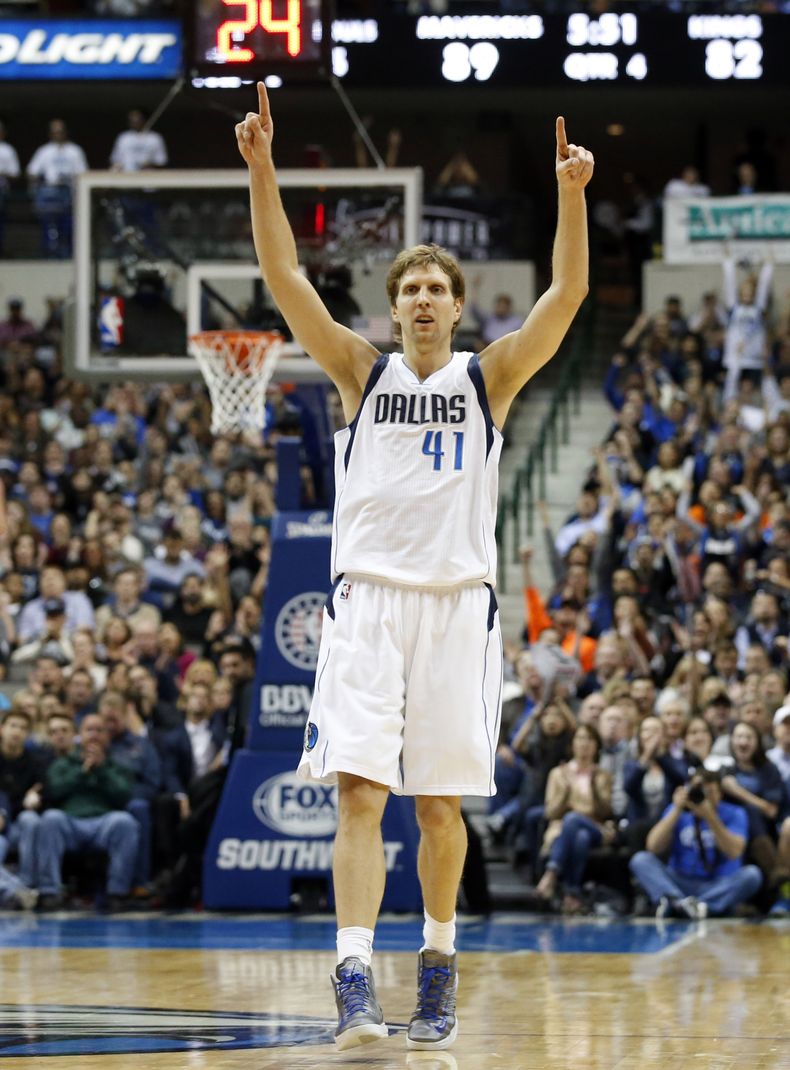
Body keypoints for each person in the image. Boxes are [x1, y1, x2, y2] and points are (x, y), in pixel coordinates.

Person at [235, 82, 593, 1052]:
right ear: (393, 309)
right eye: (409, 290)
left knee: (438, 807)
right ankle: (353, 980)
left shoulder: (491, 377)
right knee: (359, 792)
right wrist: (262, 165)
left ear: (457, 306)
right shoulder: (359, 370)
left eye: (436, 288)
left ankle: (436, 965)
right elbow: (283, 279)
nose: (423, 299)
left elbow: (566, 297)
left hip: (456, 609)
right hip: (366, 603)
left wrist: (571, 193)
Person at [629, 768, 763, 918]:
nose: (703, 797)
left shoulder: (735, 813)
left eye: (710, 792)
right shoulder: (678, 810)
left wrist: (710, 817)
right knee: (640, 860)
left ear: (720, 794)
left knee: (752, 875)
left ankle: (695, 906)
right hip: (680, 882)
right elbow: (653, 846)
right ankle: (680, 902)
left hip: (718, 883)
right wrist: (677, 809)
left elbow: (734, 852)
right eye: (699, 791)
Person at [26, 119, 88, 258]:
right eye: (54, 132)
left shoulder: (75, 150)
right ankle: (50, 255)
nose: (57, 135)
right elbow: (32, 171)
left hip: (69, 194)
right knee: (49, 228)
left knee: (68, 228)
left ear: (65, 133)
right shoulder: (44, 151)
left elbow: (83, 172)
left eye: (60, 132)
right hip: (50, 193)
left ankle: (68, 256)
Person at [109, 108, 168, 172]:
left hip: (148, 176)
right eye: (132, 119)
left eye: (138, 118)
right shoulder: (123, 137)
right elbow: (115, 160)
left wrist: (149, 165)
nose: (135, 121)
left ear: (144, 119)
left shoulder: (155, 138)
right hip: (126, 176)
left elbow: (161, 161)